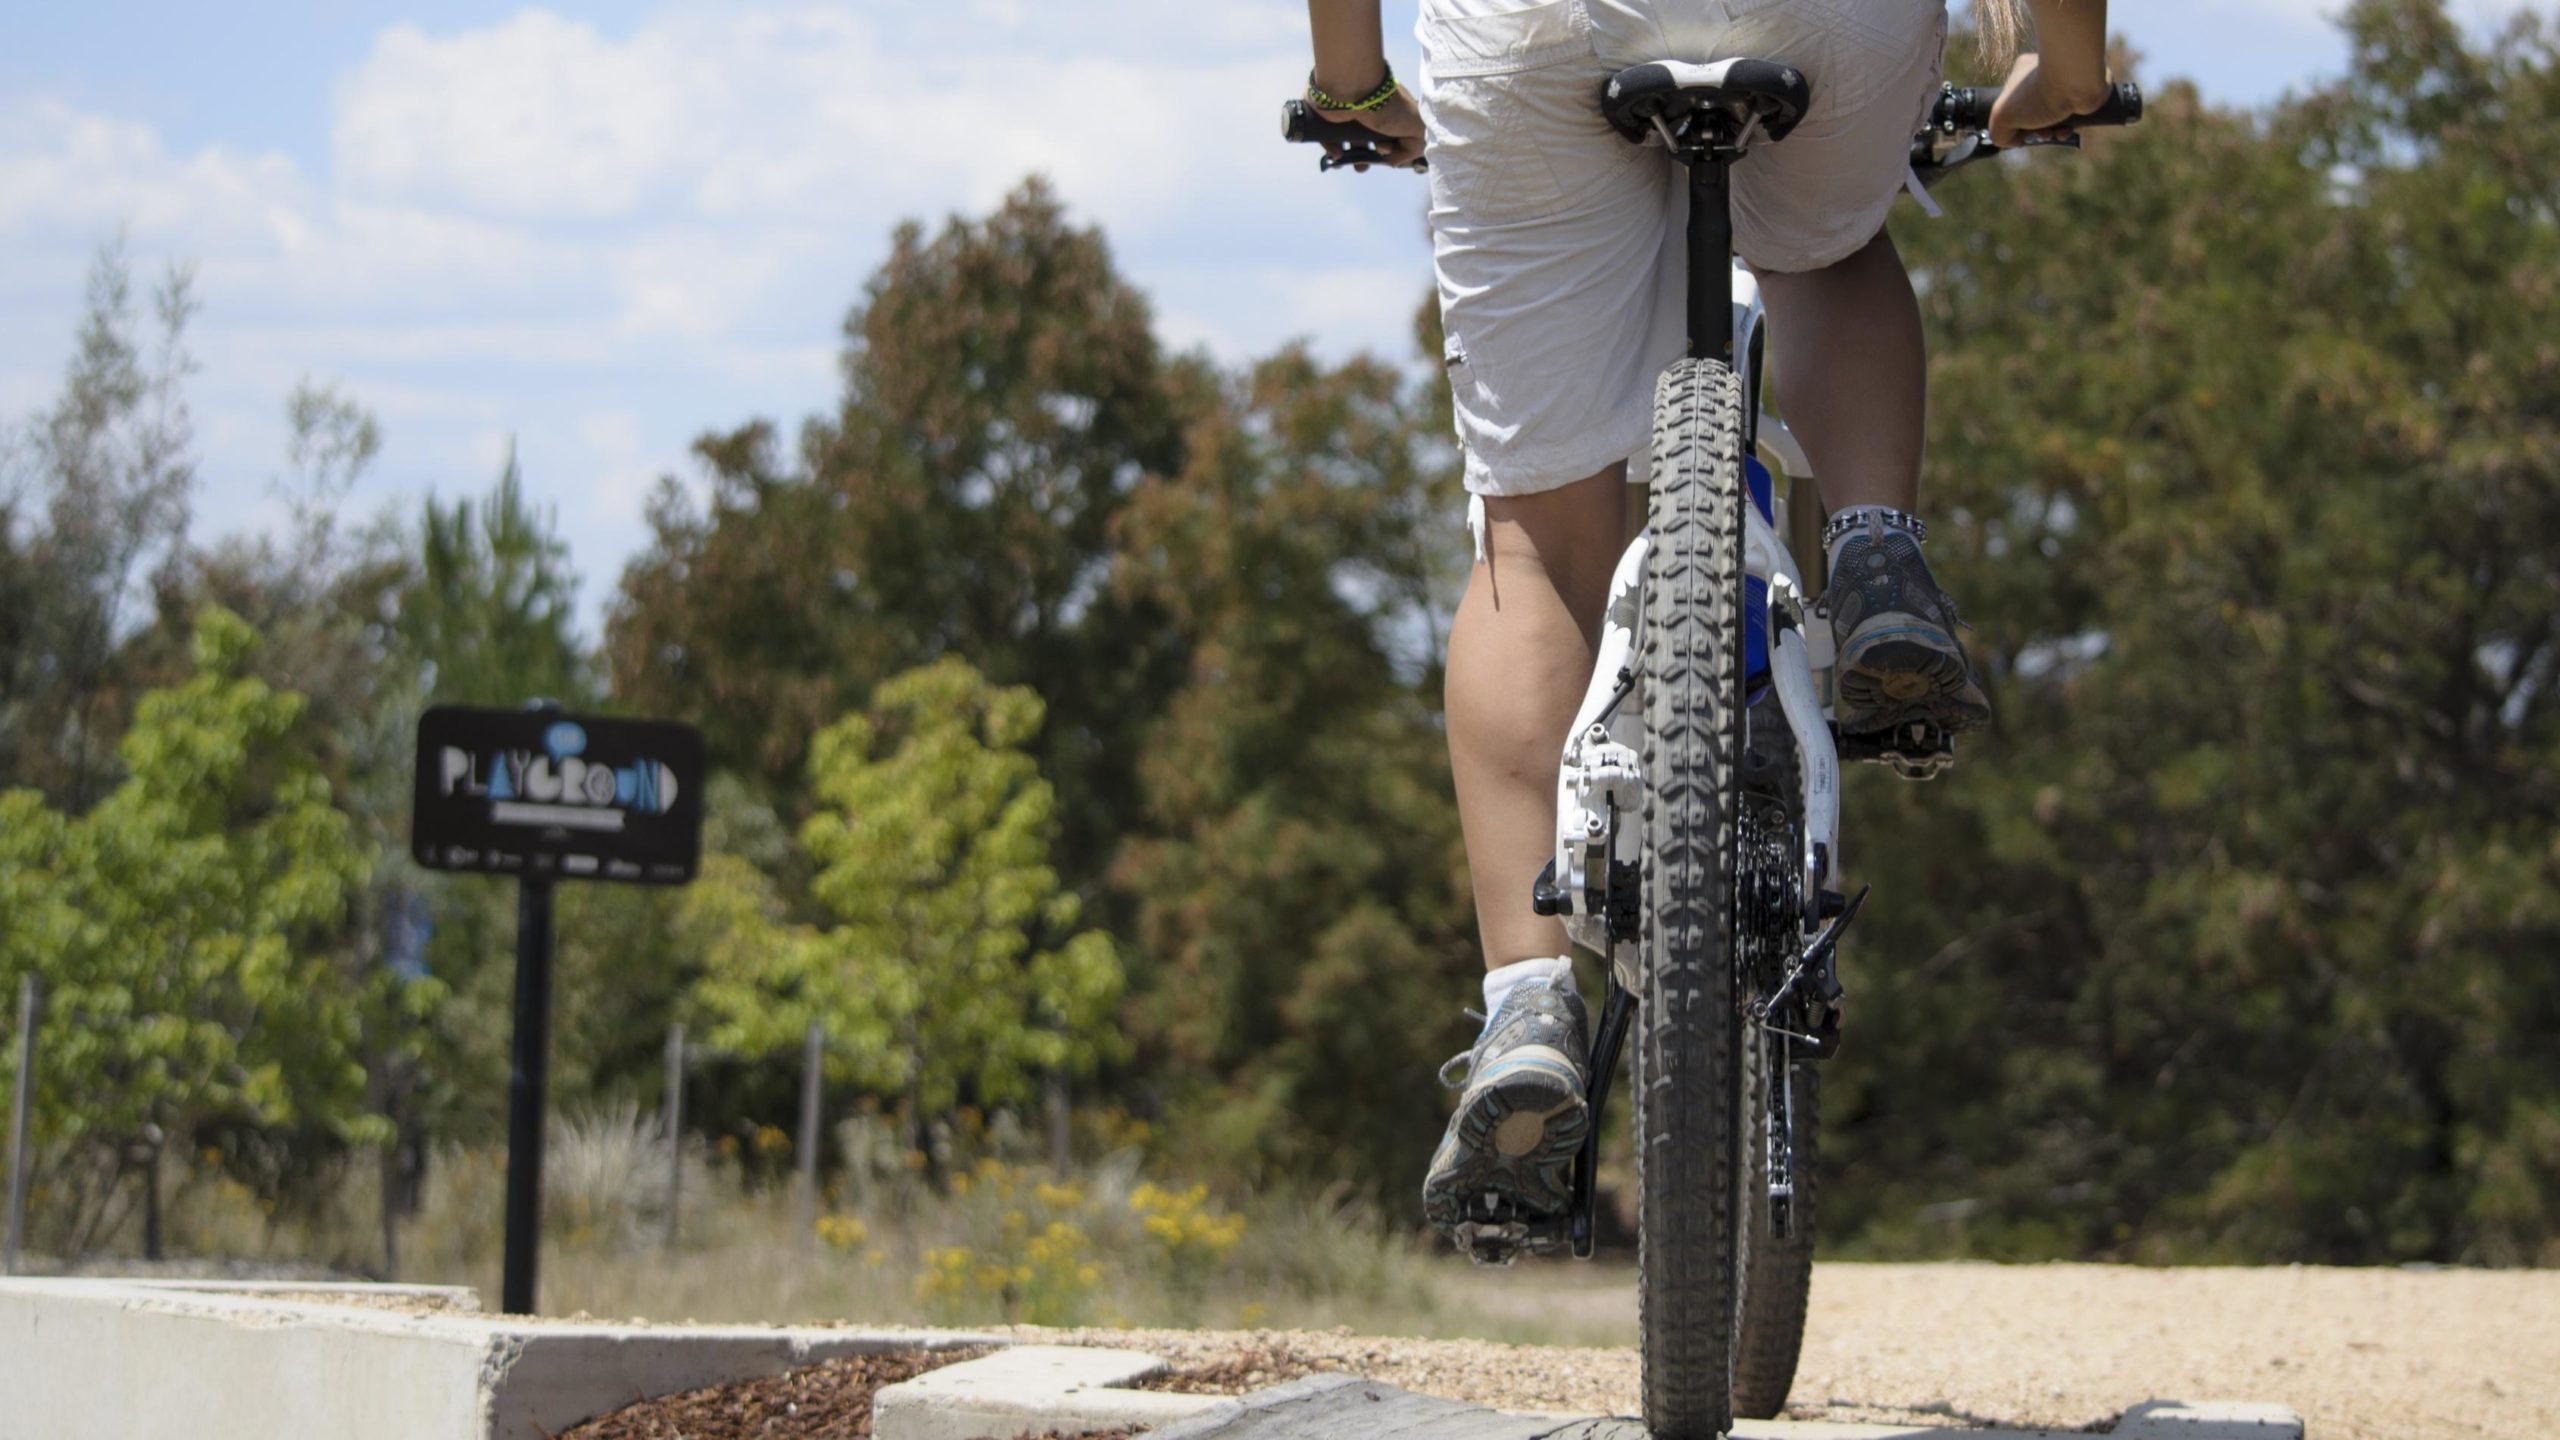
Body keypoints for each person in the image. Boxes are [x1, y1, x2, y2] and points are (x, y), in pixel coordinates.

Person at [1297, 0, 2115, 1237]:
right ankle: (1876, 547)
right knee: (1825, 248)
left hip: (1534, 31)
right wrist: (2069, 69)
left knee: (1538, 537)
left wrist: (1353, 85)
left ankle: (1526, 999)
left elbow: (1357, 64)